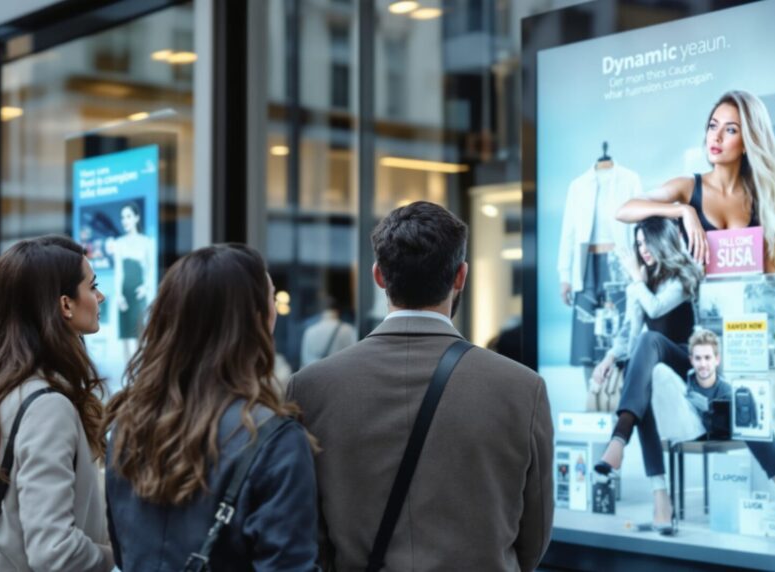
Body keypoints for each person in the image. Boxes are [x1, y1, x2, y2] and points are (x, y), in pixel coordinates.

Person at [289, 201, 553, 570]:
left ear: (379, 276)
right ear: (461, 276)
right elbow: (534, 538)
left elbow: (307, 533)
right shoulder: (523, 388)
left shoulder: (309, 388)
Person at [104, 244, 318, 570]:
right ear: (257, 320)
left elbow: (124, 551)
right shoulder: (274, 439)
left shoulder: (128, 426)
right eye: (270, 299)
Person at [0, 235, 114, 572]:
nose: (100, 296)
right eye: (92, 286)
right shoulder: (46, 406)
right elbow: (55, 553)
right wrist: (116, 555)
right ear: (65, 304)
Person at [591, 217, 703, 533]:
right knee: (643, 379)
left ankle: (618, 439)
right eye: (638, 245)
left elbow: (654, 310)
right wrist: (610, 358)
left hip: (684, 363)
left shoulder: (685, 276)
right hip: (654, 365)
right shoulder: (641, 283)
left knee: (649, 340)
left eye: (646, 243)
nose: (642, 250)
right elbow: (629, 333)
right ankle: (660, 502)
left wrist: (634, 281)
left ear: (661, 241)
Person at [617, 90, 775, 273]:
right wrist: (683, 210)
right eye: (713, 126)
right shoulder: (688, 187)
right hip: (700, 301)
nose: (716, 136)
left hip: (747, 299)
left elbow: (774, 271)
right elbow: (624, 211)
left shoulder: (763, 196)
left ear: (747, 141)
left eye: (730, 130)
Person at [650, 329, 775, 530]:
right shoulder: (684, 380)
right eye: (698, 358)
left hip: (721, 426)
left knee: (760, 431)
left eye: (707, 357)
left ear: (717, 359)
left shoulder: (726, 388)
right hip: (691, 429)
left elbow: (734, 421)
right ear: (691, 359)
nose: (703, 364)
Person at [558, 159, 642, 387]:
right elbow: (569, 231)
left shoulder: (629, 178)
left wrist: (640, 267)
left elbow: (639, 225)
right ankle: (592, 393)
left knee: (622, 325)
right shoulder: (578, 185)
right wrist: (565, 275)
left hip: (620, 259)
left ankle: (620, 392)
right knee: (586, 330)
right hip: (586, 263)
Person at [110, 202, 156, 361]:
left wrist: (146, 287)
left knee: (139, 334)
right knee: (124, 337)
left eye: (128, 216)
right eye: (123, 217)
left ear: (136, 218)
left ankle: (139, 375)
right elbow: (118, 272)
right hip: (125, 293)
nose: (125, 220)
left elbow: (150, 269)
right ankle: (128, 376)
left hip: (138, 293)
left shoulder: (146, 242)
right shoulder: (119, 243)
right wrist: (118, 295)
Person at [300, 295, 356, 368]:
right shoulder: (348, 330)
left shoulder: (310, 331)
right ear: (338, 311)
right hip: (340, 375)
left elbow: (304, 361)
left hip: (315, 375)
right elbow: (353, 358)